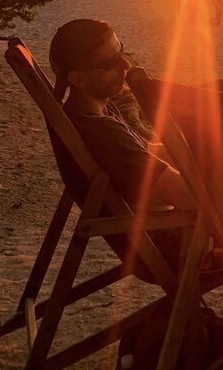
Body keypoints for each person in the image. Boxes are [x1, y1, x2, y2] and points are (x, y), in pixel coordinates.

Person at [48, 19, 197, 267]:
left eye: (121, 52)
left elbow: (148, 154)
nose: (126, 64)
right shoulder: (101, 133)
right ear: (78, 78)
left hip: (164, 230)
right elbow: (183, 195)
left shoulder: (93, 112)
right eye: (111, 63)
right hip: (176, 244)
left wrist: (202, 154)